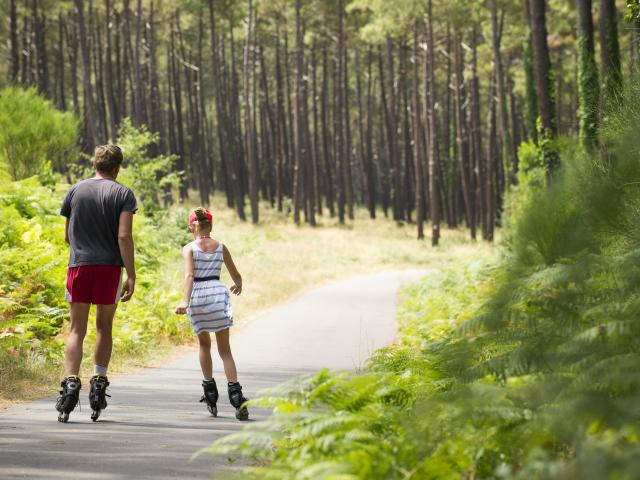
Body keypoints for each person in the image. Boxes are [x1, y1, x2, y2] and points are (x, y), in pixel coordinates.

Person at [55, 145, 137, 423]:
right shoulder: (123, 194)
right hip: (109, 268)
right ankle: (99, 382)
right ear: (117, 168)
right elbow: (124, 237)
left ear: (94, 164)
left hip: (78, 265)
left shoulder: (75, 191)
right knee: (104, 326)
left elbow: (67, 235)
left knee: (77, 328)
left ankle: (70, 384)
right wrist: (131, 274)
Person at [175, 207, 249, 420]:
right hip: (217, 294)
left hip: (198, 297)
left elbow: (189, 276)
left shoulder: (189, 248)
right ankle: (237, 397)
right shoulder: (221, 247)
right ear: (211, 226)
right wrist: (238, 285)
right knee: (225, 350)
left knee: (204, 345)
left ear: (192, 227)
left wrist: (184, 300)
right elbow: (236, 274)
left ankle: (210, 393)